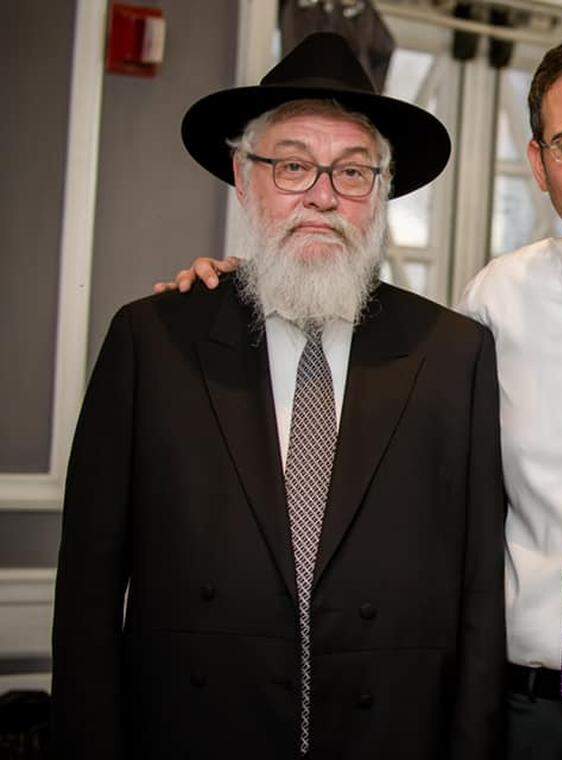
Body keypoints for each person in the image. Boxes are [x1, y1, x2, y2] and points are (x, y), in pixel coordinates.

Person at [159, 32, 562, 758]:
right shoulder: (497, 298)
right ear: (537, 163)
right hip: (528, 721)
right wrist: (244, 292)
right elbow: (381, 387)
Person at [52, 32, 505, 759]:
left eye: (353, 172)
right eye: (293, 166)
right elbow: (86, 597)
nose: (322, 196)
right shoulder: (153, 342)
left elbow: (482, 599)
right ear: (243, 174)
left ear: (380, 191)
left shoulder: (454, 354)